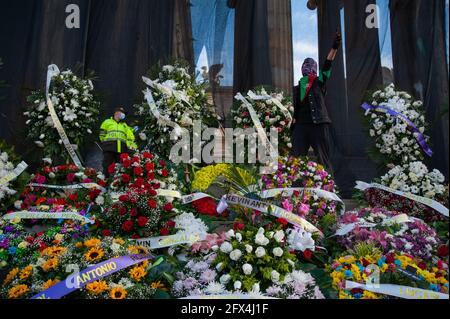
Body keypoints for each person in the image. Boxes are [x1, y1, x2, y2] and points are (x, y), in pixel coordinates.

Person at [291, 32, 342, 172]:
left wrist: (334, 47)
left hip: (318, 124)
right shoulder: (296, 89)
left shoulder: (319, 82)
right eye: (305, 65)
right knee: (294, 160)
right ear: (302, 69)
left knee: (323, 159)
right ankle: (293, 189)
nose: (307, 67)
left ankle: (327, 191)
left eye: (310, 65)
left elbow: (327, 65)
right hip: (301, 126)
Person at [99, 107, 137, 176]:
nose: (123, 115)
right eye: (122, 113)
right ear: (116, 113)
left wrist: (135, 129)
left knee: (120, 168)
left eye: (124, 114)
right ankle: (105, 180)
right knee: (107, 165)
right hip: (109, 148)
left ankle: (115, 184)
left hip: (121, 149)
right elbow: (102, 135)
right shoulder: (107, 122)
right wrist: (105, 144)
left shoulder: (124, 125)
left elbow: (130, 136)